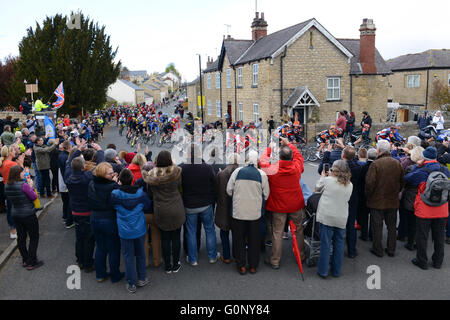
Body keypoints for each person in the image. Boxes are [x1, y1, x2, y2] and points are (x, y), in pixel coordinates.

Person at [259, 137, 305, 269]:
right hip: (295, 204)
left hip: (278, 205)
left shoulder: (273, 169)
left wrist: (270, 148)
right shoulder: (296, 167)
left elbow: (262, 161)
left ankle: (275, 260)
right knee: (298, 230)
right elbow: (299, 157)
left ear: (279, 157)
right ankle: (301, 256)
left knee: (277, 232)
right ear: (290, 157)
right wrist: (289, 144)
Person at [404, 147, 450, 270]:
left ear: (424, 157)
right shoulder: (444, 169)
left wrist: (417, 166)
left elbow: (407, 179)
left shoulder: (422, 171)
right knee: (439, 236)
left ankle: (422, 260)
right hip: (441, 207)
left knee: (422, 236)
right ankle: (438, 261)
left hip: (425, 208)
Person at [227, 150, 270, 275]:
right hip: (254, 213)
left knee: (238, 239)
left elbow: (229, 190)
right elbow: (266, 195)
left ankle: (241, 265)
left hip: (238, 211)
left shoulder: (237, 171)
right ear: (257, 161)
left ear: (246, 160)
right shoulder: (262, 174)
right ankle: (253, 265)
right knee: (254, 239)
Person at [142, 151, 185, 274]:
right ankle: (176, 263)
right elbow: (179, 185)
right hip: (176, 207)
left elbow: (150, 193)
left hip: (161, 209)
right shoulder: (176, 172)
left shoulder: (151, 175)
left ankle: (167, 265)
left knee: (165, 238)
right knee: (176, 237)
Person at [64, 140, 104, 272]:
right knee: (88, 238)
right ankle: (88, 263)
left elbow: (68, 163)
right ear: (83, 167)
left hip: (75, 211)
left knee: (79, 237)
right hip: (87, 211)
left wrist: (78, 150)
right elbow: (100, 166)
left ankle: (79, 260)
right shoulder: (87, 177)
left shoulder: (68, 177)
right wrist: (99, 150)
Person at [111, 169, 151, 293]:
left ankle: (131, 282)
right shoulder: (140, 193)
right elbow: (147, 205)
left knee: (128, 256)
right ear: (132, 179)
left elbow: (111, 205)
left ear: (120, 180)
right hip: (139, 228)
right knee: (140, 254)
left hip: (124, 230)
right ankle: (142, 278)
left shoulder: (115, 194)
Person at [179, 144, 219, 266]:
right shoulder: (207, 168)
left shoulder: (181, 168)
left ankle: (193, 258)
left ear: (187, 154)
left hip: (189, 205)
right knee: (209, 229)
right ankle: (212, 256)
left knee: (190, 231)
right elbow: (214, 184)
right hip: (206, 203)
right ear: (199, 154)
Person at [365, 140, 405, 258]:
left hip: (377, 201)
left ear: (378, 150)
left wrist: (368, 196)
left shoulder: (375, 164)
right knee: (392, 226)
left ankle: (378, 249)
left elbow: (369, 183)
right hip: (392, 199)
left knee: (377, 226)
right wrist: (396, 192)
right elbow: (402, 181)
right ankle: (391, 249)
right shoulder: (397, 163)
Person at [315, 160, 353, 278]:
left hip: (327, 216)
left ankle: (323, 271)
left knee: (326, 244)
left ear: (334, 170)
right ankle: (336, 271)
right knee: (339, 244)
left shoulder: (328, 181)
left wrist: (323, 177)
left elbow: (317, 189)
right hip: (341, 217)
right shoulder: (350, 184)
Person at [87, 162, 124, 283]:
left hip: (94, 218)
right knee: (113, 248)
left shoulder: (91, 184)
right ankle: (115, 274)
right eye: (110, 173)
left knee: (100, 247)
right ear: (103, 174)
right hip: (108, 219)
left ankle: (100, 274)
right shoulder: (112, 186)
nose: (113, 174)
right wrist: (115, 183)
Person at [5, 165, 43, 270]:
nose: (24, 174)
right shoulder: (23, 185)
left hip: (16, 214)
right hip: (28, 214)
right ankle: (31, 261)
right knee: (34, 237)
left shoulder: (7, 185)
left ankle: (25, 259)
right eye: (22, 172)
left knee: (21, 237)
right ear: (18, 174)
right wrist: (31, 186)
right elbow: (34, 197)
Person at [215, 153, 240, 264]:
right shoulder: (240, 173)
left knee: (224, 232)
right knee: (236, 233)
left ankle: (226, 256)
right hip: (237, 206)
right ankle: (236, 255)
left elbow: (216, 190)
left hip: (223, 206)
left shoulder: (222, 174)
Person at [401, 146, 424, 251]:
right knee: (420, 223)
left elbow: (404, 181)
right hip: (422, 197)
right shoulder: (427, 169)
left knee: (411, 222)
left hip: (411, 197)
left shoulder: (410, 168)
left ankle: (410, 242)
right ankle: (417, 242)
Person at [341, 146, 362, 258]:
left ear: (343, 155)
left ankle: (337, 248)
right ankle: (352, 251)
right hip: (353, 196)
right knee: (350, 224)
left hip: (341, 196)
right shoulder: (358, 167)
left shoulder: (340, 166)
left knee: (338, 223)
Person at [0, 144, 25, 239]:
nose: (15, 152)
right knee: (15, 209)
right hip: (15, 188)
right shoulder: (12, 164)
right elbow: (22, 175)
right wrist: (21, 163)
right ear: (10, 152)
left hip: (6, 187)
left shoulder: (3, 163)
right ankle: (15, 229)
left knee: (10, 209)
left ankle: (13, 229)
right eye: (14, 150)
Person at [58, 141, 74, 228]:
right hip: (66, 182)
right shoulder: (66, 157)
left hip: (63, 182)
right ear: (69, 147)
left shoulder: (61, 155)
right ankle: (68, 219)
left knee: (65, 201)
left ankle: (65, 216)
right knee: (68, 202)